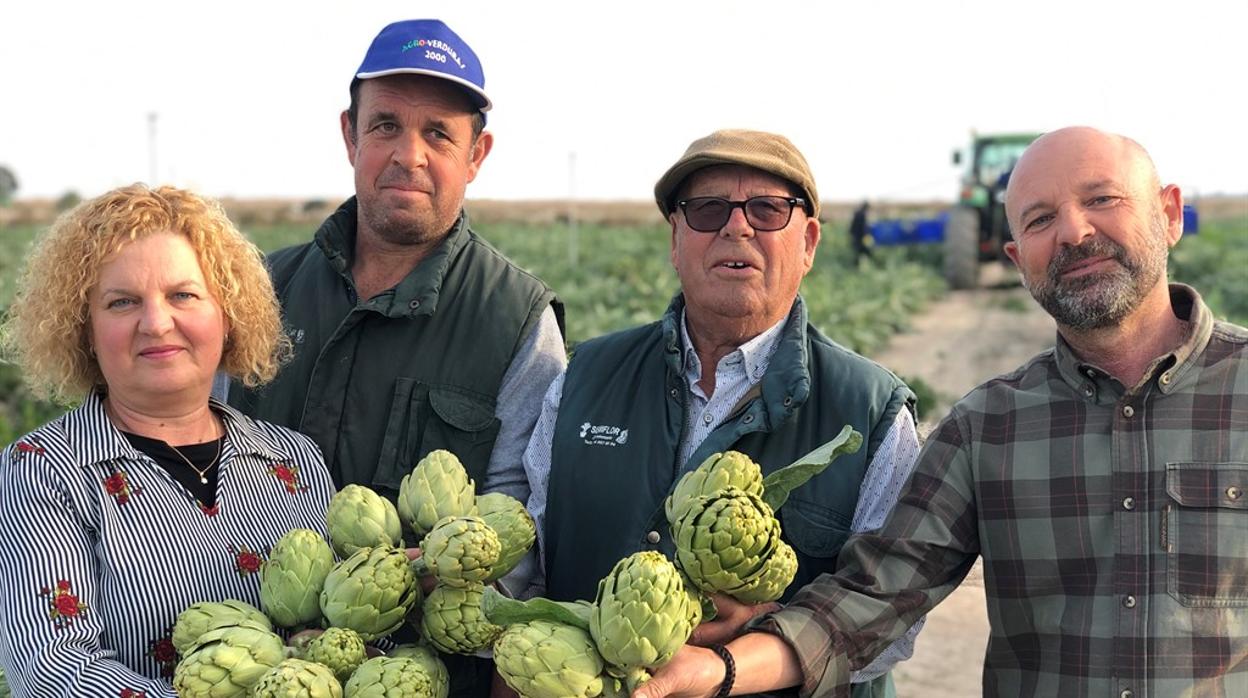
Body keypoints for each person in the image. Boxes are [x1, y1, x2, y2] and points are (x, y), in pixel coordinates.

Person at [635, 126, 1248, 698]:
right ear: (1016, 256)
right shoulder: (987, 426)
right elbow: (874, 598)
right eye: (1040, 219)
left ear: (1169, 213)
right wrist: (719, 669)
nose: (1073, 232)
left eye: (1103, 199)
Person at [227, 19, 566, 697]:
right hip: (255, 664)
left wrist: (424, 576)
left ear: (477, 154)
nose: (409, 154)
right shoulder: (256, 294)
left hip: (418, 675)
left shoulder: (520, 322)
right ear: (350, 135)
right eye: (385, 125)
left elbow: (525, 526)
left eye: (438, 132)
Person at [523, 129, 924, 696]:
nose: (737, 227)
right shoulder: (582, 378)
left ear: (808, 243)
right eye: (708, 210)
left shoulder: (872, 413)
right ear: (675, 239)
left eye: (767, 210)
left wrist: (760, 640)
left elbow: (890, 611)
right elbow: (527, 562)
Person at [0, 185, 335, 695]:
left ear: (227, 315)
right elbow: (52, 669)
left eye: (183, 295)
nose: (156, 323)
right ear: (84, 329)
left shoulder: (295, 461)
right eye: (122, 302)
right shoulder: (41, 471)